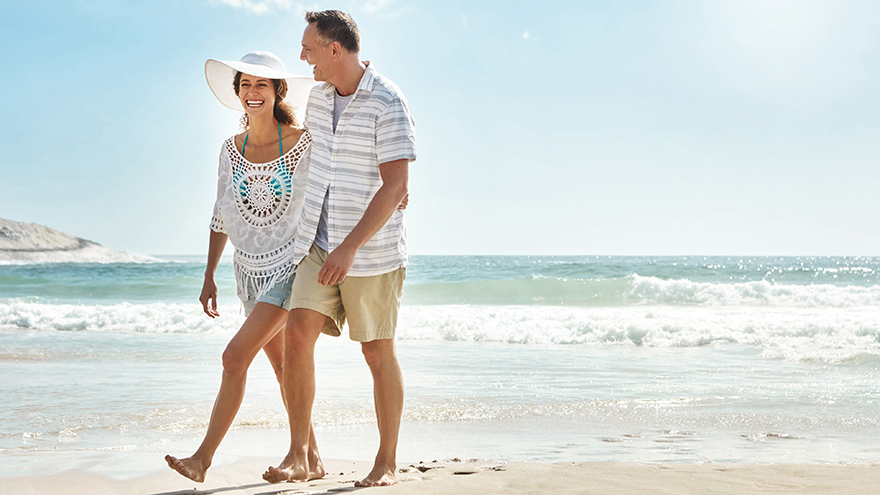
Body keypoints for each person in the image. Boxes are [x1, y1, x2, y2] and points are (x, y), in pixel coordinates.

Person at [263, 10, 416, 487]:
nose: (302, 56)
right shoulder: (318, 98)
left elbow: (394, 186)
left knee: (377, 353)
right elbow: (310, 161)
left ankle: (386, 461)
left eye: (309, 48)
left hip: (371, 254)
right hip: (316, 243)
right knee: (296, 336)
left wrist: (349, 248)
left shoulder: (388, 101)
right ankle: (300, 455)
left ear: (335, 49)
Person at [164, 51, 325, 483]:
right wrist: (208, 273)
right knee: (281, 368)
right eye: (246, 85)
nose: (253, 93)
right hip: (248, 271)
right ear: (237, 92)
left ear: (278, 92)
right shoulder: (230, 150)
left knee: (234, 357)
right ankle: (314, 459)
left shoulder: (302, 142)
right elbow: (222, 213)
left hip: (292, 268)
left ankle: (202, 459)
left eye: (262, 85)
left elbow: (328, 193)